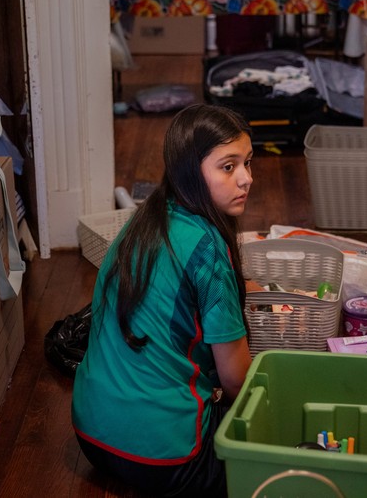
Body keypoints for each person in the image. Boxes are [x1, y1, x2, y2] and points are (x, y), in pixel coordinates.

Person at [72, 104, 254, 497]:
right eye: (228, 166)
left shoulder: (141, 224)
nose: (246, 179)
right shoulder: (207, 248)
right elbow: (237, 382)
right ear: (191, 169)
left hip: (91, 438)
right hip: (168, 457)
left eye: (247, 163)